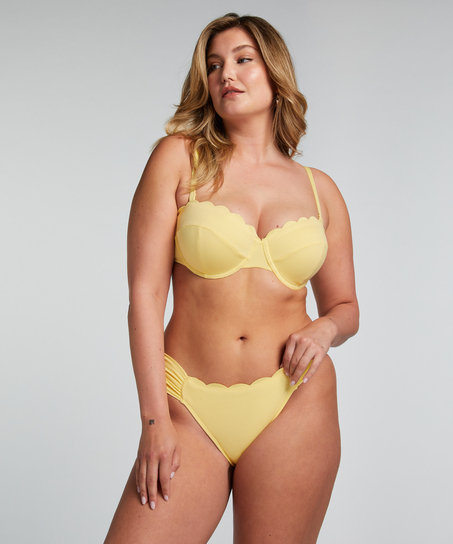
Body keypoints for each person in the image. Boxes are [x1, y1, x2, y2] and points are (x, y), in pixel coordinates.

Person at [104, 12, 359, 544]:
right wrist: (154, 421)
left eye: (243, 60)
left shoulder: (321, 191)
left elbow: (346, 307)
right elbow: (144, 296)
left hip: (294, 402)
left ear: (275, 74)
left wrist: (324, 330)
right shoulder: (179, 159)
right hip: (188, 406)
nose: (227, 74)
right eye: (215, 65)